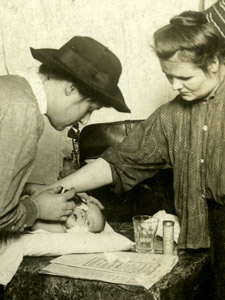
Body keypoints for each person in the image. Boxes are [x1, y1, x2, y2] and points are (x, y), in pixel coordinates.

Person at [29, 11, 225, 299]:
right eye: (168, 76)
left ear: (214, 64)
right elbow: (119, 163)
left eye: (184, 77)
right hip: (201, 239)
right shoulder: (173, 114)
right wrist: (52, 189)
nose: (174, 86)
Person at [0, 35, 130, 233]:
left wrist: (30, 189)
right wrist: (37, 208)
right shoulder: (23, 111)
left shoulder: (11, 89)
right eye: (90, 108)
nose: (86, 120)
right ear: (71, 88)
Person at [31, 201, 106, 234]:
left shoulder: (60, 229)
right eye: (85, 209)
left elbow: (34, 224)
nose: (83, 214)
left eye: (88, 222)